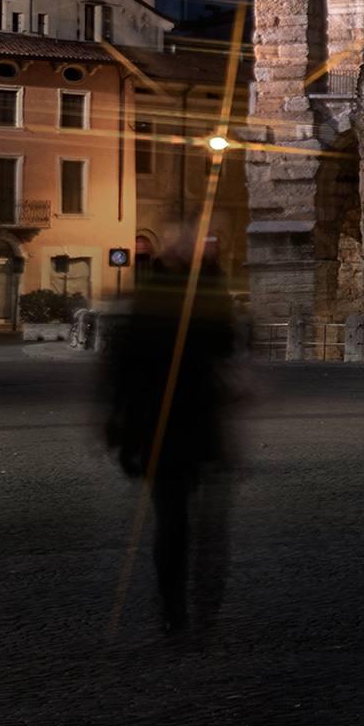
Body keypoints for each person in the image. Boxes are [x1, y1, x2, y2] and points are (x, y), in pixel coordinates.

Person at [99, 225, 240, 636]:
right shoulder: (192, 292)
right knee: (186, 520)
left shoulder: (166, 292)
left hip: (177, 421)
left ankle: (180, 605)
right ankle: (185, 603)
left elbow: (123, 365)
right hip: (178, 421)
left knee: (183, 520)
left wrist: (118, 419)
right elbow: (222, 345)